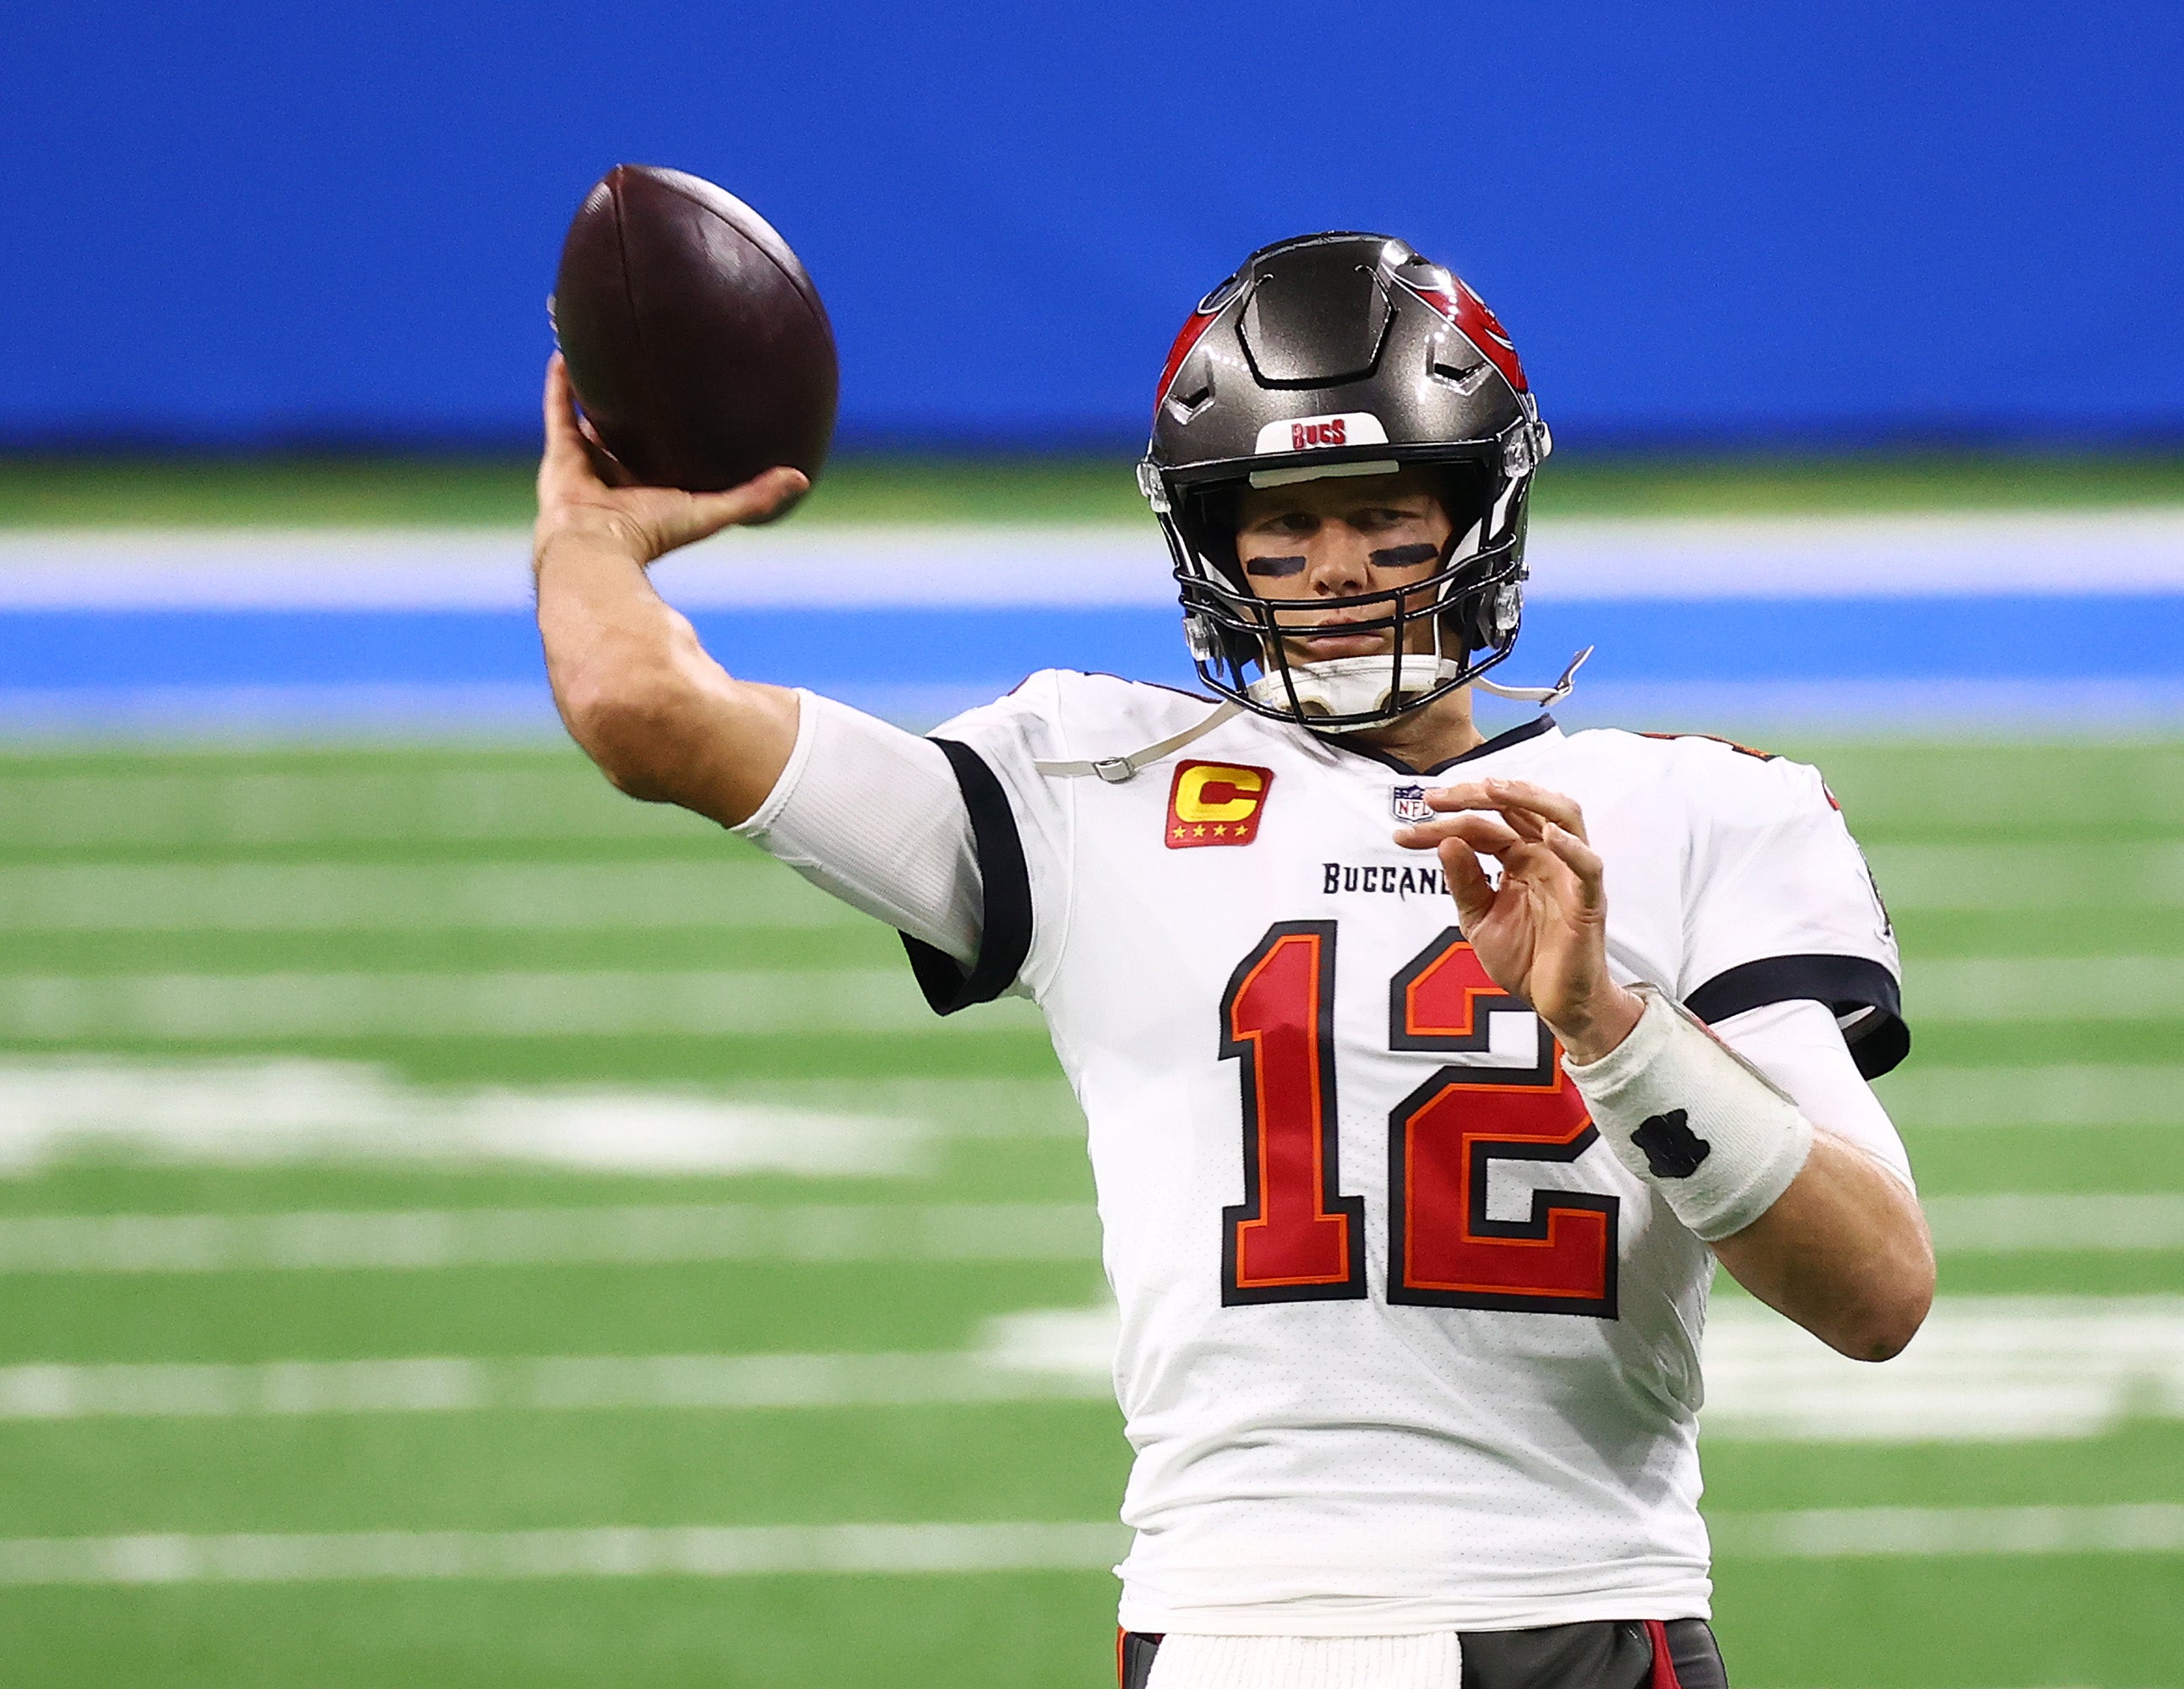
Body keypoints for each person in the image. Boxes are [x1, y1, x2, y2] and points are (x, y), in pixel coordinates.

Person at [532, 231, 1934, 1689]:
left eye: (1381, 511)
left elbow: (1878, 1292)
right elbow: (644, 709)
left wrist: (1611, 1025)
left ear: (1474, 512)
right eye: (1278, 521)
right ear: (1211, 543)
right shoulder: (1092, 780)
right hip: (1233, 1625)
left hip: (1578, 1603)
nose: (1331, 568)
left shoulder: (1699, 813)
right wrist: (588, 533)